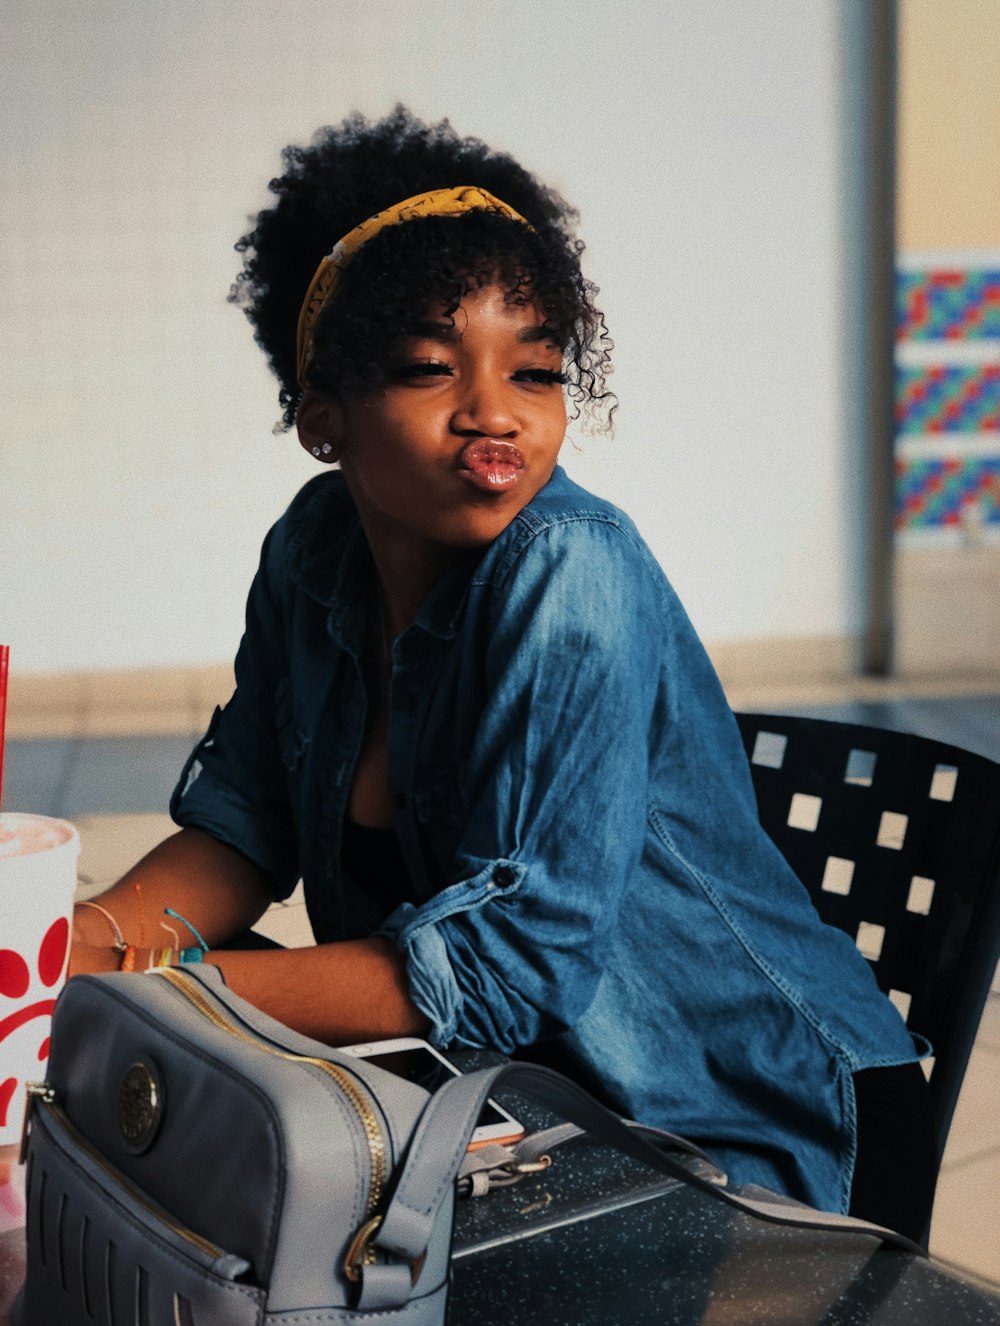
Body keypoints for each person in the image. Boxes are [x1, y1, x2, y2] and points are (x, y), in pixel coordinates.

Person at [69, 107, 935, 1238]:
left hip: (736, 1115)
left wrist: (159, 986)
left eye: (535, 372)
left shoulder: (570, 567)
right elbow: (247, 819)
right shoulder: (312, 549)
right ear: (321, 416)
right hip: (515, 1102)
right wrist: (77, 939)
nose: (494, 415)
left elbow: (502, 969)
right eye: (431, 369)